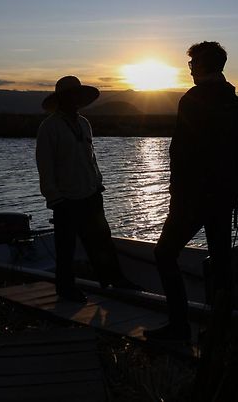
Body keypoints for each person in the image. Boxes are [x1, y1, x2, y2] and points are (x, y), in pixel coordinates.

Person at [143, 41, 238, 341]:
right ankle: (219, 329)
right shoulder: (231, 97)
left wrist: (178, 195)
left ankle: (179, 326)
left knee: (164, 253)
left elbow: (184, 153)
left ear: (201, 65)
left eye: (192, 64)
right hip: (225, 196)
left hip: (195, 197)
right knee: (221, 260)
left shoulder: (193, 99)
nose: (189, 69)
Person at [36, 75, 141, 304]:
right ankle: (65, 289)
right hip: (65, 199)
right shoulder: (49, 127)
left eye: (77, 95)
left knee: (102, 240)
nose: (74, 100)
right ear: (61, 99)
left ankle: (113, 280)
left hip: (91, 193)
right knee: (66, 247)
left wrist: (97, 182)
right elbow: (45, 167)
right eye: (70, 95)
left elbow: (90, 158)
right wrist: (54, 198)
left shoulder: (84, 123)